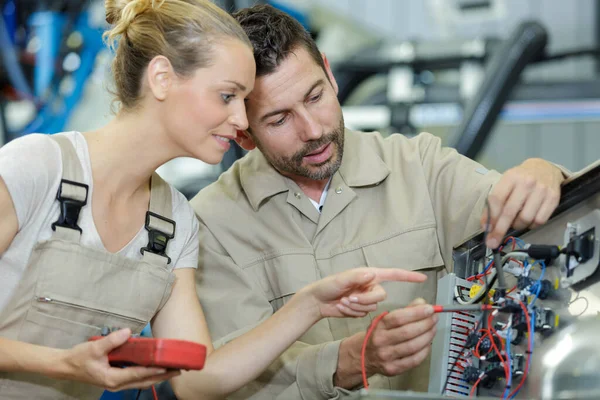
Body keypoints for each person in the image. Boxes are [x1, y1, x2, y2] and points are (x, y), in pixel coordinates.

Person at [0, 1, 429, 399]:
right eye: (227, 96)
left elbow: (199, 378)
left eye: (244, 101)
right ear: (162, 78)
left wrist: (309, 306)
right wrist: (63, 364)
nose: (242, 121)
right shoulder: (37, 167)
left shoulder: (172, 223)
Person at [190, 4, 573, 399]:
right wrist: (350, 359)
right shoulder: (213, 225)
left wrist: (545, 172)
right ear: (243, 132)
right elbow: (230, 383)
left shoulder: (420, 167)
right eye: (279, 119)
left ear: (329, 72)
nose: (314, 129)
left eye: (315, 96)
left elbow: (528, 222)